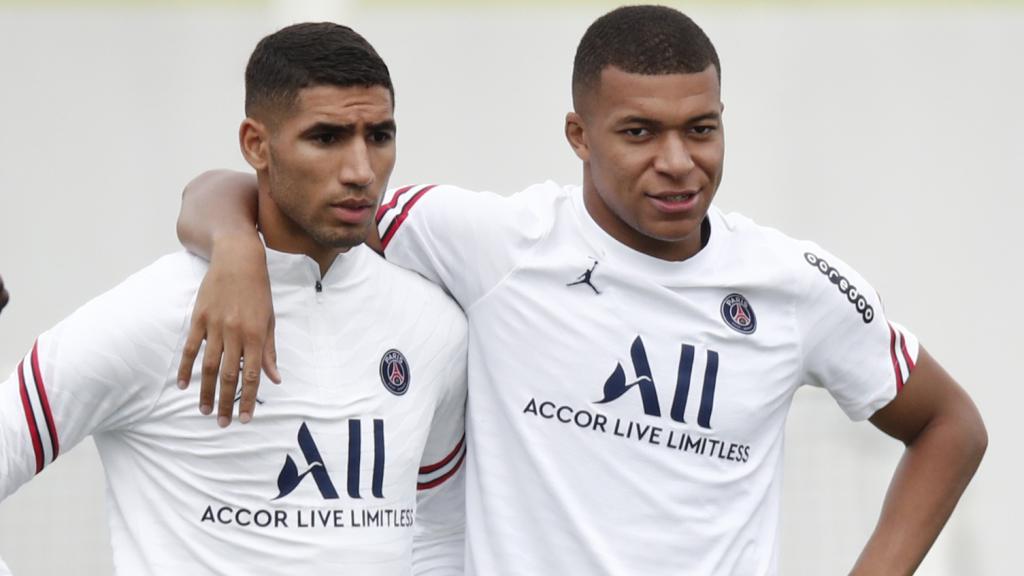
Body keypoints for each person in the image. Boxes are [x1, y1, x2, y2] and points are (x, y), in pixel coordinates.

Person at [176, 6, 987, 575]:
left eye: (701, 128)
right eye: (639, 132)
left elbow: (950, 426)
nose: (678, 160)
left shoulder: (793, 282)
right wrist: (236, 253)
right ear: (579, 134)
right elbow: (268, 189)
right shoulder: (493, 243)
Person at [0, 22, 467, 576]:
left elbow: (443, 525)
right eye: (326, 137)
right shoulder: (154, 314)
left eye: (380, 136)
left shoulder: (434, 324)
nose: (361, 171)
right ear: (256, 145)